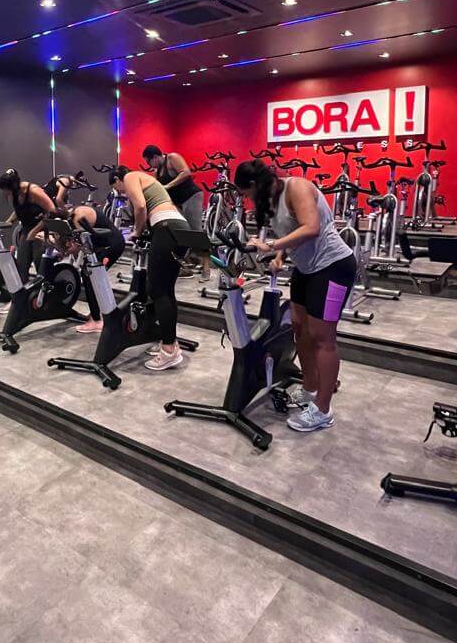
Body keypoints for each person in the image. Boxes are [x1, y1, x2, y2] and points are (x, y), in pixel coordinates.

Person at [233, 158, 357, 432]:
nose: (248, 199)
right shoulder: (272, 199)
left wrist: (270, 245)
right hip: (306, 269)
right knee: (299, 328)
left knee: (323, 337)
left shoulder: (296, 187)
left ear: (254, 184)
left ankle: (323, 409)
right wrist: (280, 256)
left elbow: (310, 227)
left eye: (246, 193)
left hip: (333, 267)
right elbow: (293, 232)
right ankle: (310, 388)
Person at [110, 165, 189, 371]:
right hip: (179, 227)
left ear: (118, 179)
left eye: (117, 188)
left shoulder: (130, 176)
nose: (121, 192)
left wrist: (136, 231)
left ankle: (169, 351)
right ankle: (170, 343)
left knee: (158, 291)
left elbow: (140, 207)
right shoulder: (147, 180)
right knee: (166, 291)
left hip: (166, 227)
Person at [141, 144, 208, 278]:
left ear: (155, 157)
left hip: (191, 196)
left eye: (149, 161)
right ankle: (186, 265)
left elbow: (186, 172)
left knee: (195, 231)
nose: (149, 165)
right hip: (177, 202)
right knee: (178, 230)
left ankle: (206, 268)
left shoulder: (172, 158)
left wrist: (168, 185)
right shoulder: (157, 172)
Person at [64, 200, 126, 334]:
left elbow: (80, 244)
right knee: (89, 276)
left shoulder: (78, 217)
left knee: (90, 276)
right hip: (102, 245)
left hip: (111, 245)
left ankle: (97, 320)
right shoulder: (73, 215)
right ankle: (97, 315)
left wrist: (69, 249)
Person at [0, 168, 57, 279]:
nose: (6, 193)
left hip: (41, 230)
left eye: (7, 190)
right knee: (21, 269)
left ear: (13, 186)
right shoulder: (16, 193)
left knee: (40, 267)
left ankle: (45, 288)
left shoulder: (33, 191)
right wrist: (7, 223)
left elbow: (52, 211)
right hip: (26, 230)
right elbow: (19, 210)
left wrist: (34, 231)